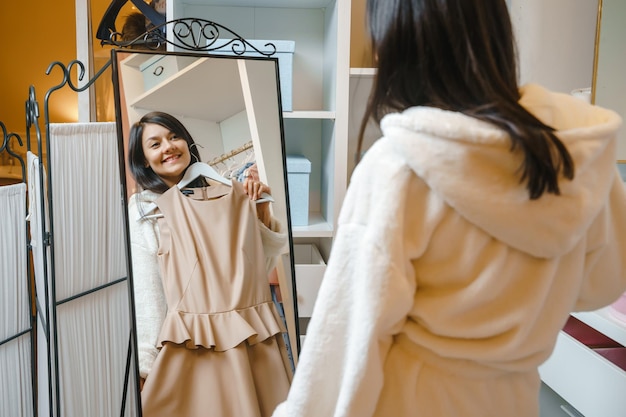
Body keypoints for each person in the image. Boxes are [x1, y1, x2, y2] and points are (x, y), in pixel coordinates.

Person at [271, 1, 626, 416]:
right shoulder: (574, 155)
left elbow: (346, 347)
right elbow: (601, 284)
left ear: (399, 43)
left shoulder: (400, 168)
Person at [127, 111, 292, 417]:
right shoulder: (146, 210)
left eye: (174, 136)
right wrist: (147, 366)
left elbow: (257, 268)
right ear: (144, 160)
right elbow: (148, 291)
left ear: (188, 143)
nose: (168, 146)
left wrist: (260, 211)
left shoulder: (234, 194)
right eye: (155, 144)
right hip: (194, 346)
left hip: (254, 339)